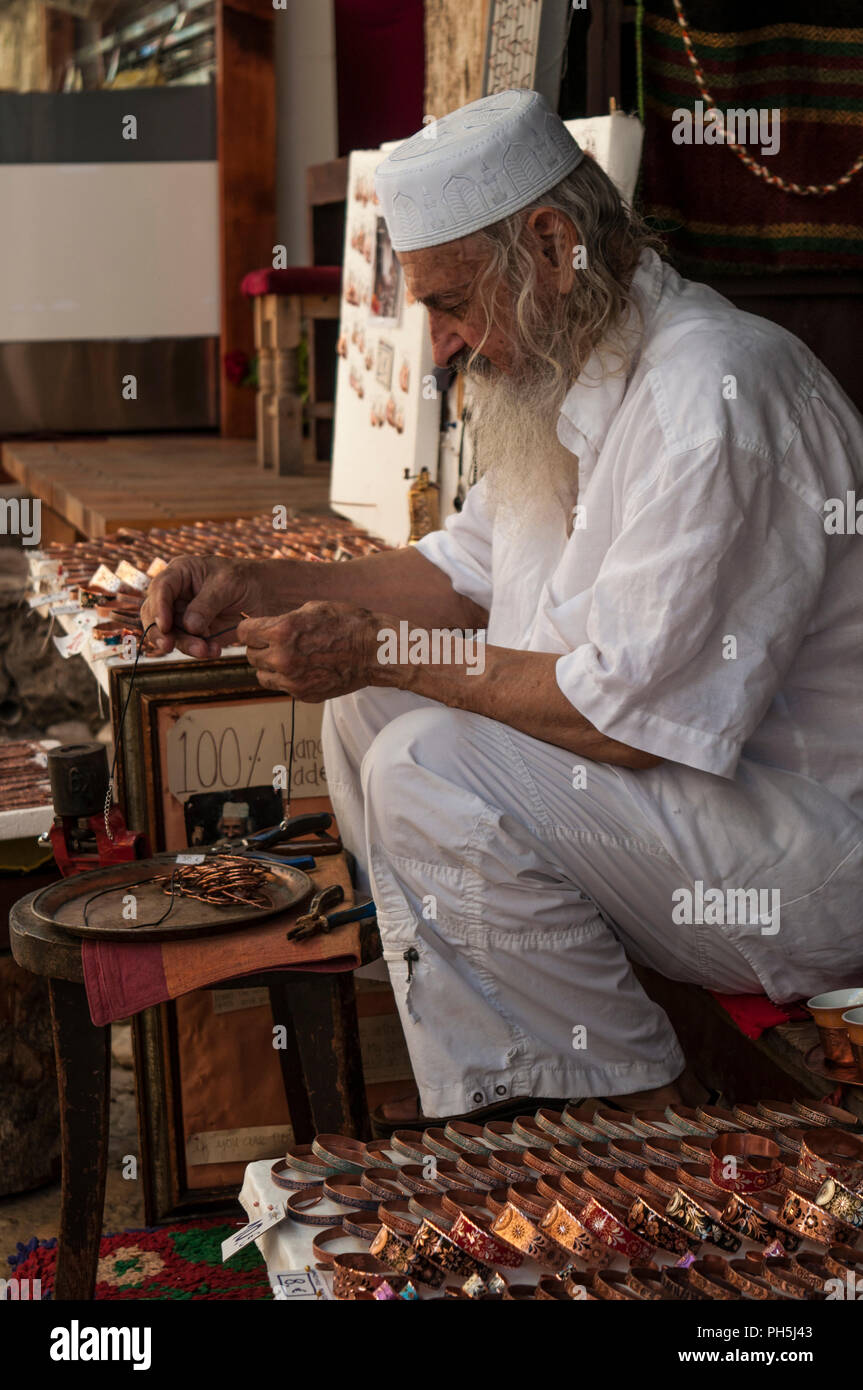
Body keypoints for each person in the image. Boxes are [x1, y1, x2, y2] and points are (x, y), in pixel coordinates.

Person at [141, 90, 863, 1126]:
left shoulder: (713, 393)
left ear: (552, 244)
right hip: (690, 823)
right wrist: (254, 583)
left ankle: (635, 1115)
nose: (439, 346)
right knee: (367, 716)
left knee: (422, 759)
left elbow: (615, 717)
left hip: (803, 856)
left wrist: (378, 649)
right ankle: (543, 1094)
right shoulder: (576, 372)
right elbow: (459, 574)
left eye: (448, 303)